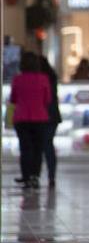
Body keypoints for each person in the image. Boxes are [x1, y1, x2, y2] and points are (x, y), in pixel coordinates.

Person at [10, 53, 54, 190]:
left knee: (25, 148)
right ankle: (35, 176)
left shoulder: (17, 79)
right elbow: (47, 99)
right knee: (37, 148)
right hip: (40, 117)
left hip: (21, 117)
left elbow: (13, 99)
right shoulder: (43, 79)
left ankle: (26, 176)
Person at [37, 55, 60, 187]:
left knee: (39, 147)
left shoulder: (40, 79)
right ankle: (51, 176)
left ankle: (36, 175)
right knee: (48, 145)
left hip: (41, 115)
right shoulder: (52, 78)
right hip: (52, 115)